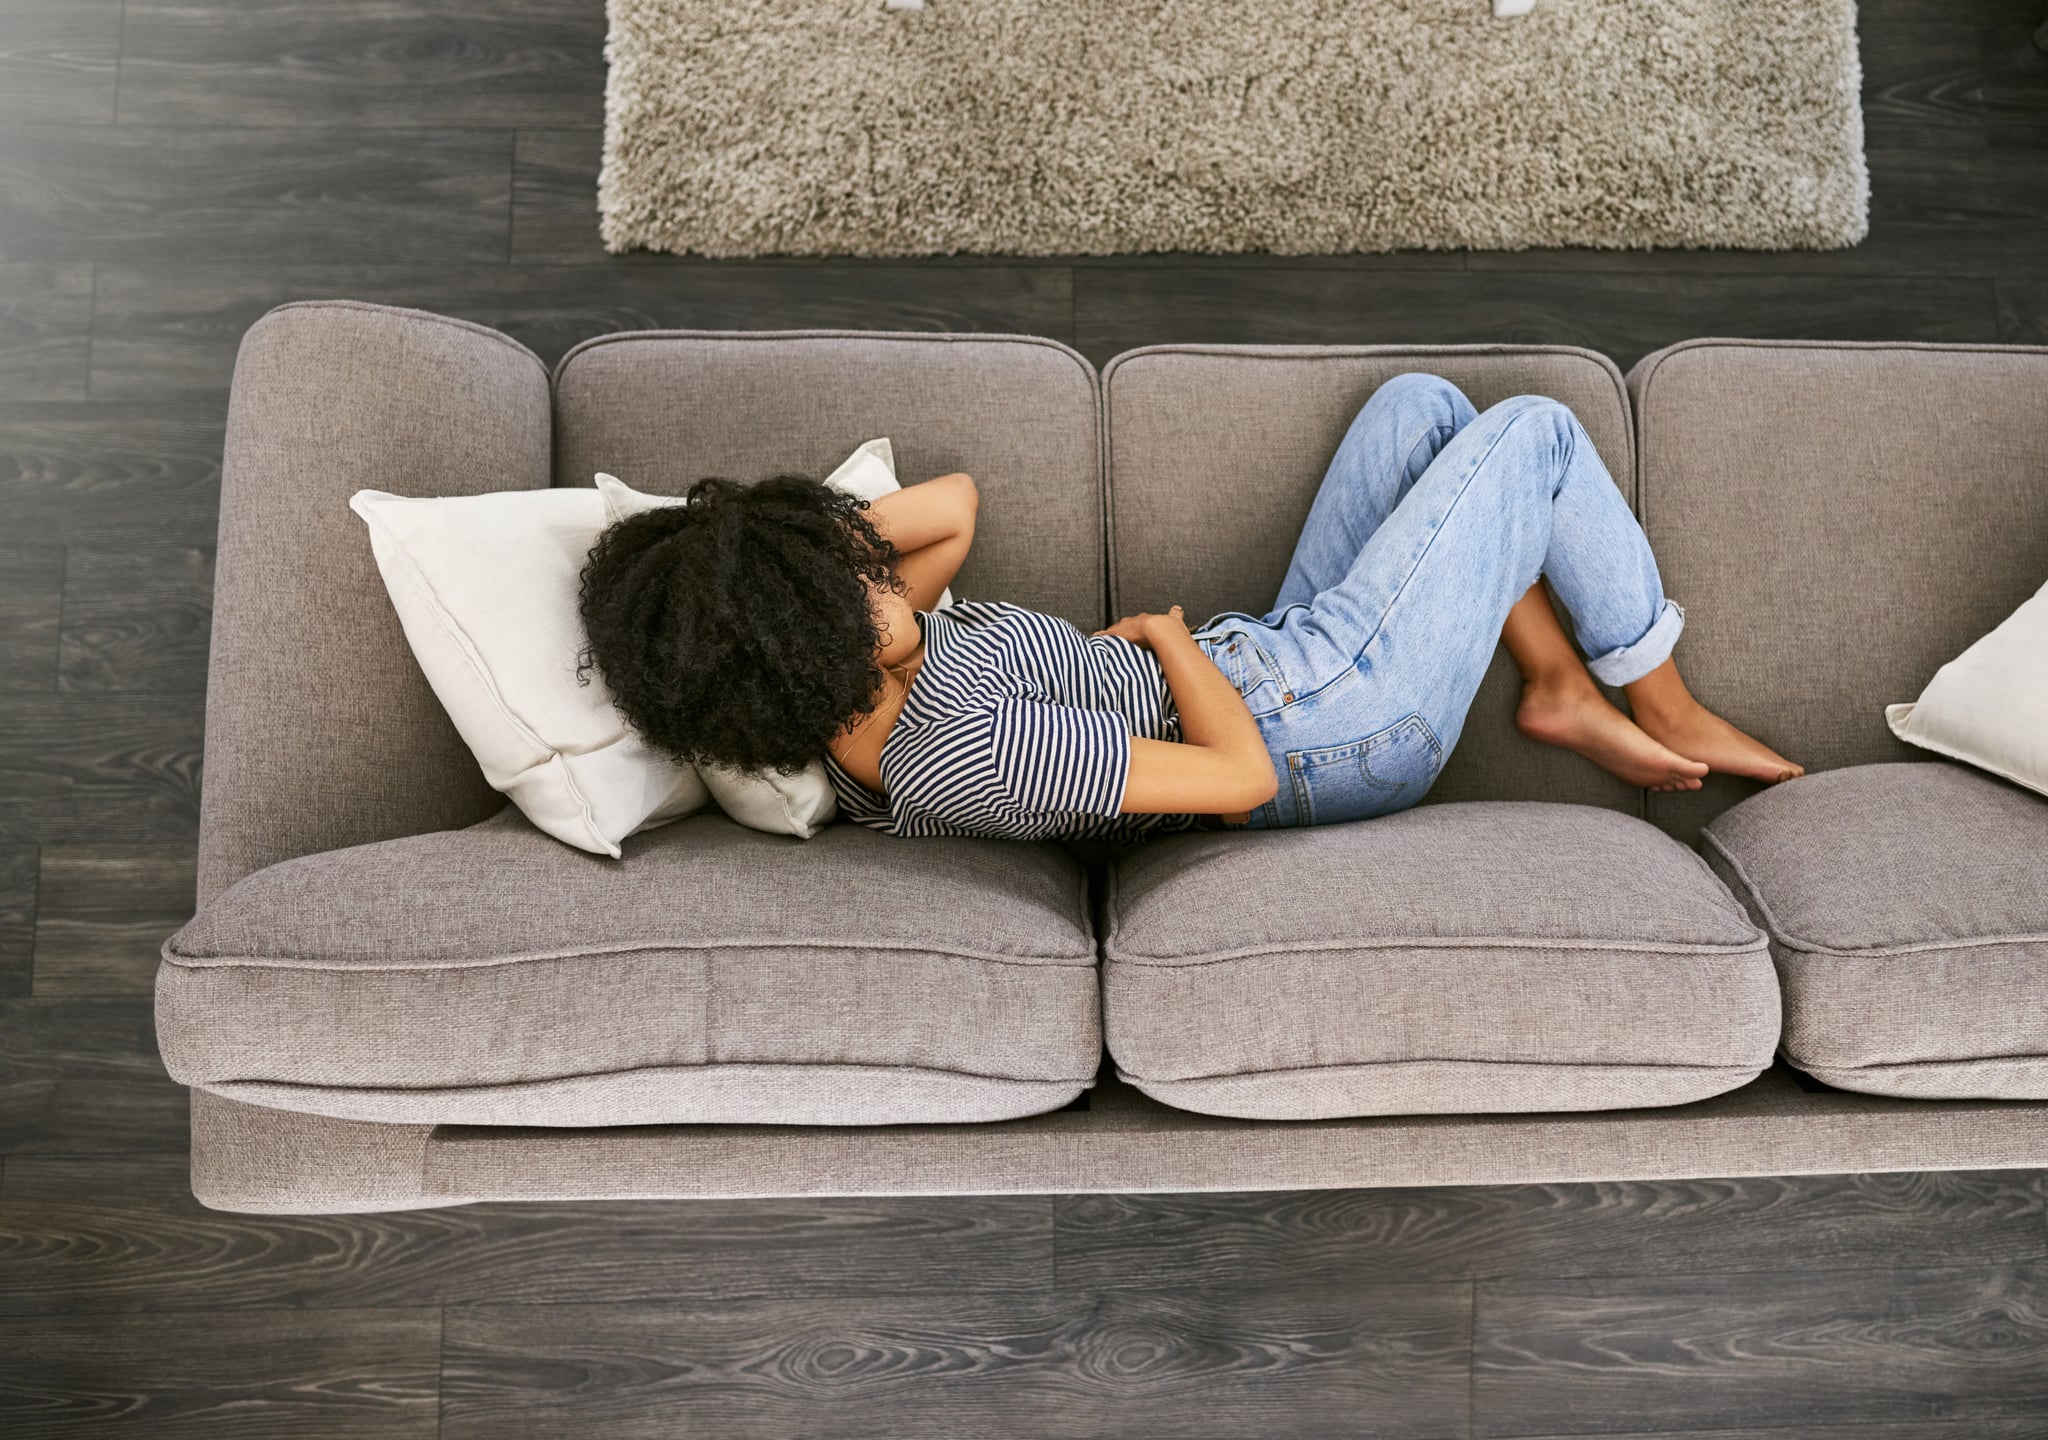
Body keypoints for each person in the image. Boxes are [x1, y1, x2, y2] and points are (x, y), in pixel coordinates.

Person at [577, 373, 1800, 842]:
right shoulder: (952, 751)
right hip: (1325, 728)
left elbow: (949, 505)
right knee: (1531, 430)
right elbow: (1238, 784)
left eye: (845, 562)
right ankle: (1667, 701)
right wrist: (1165, 637)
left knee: (1419, 408)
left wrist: (772, 542)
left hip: (1271, 664)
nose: (872, 581)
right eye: (834, 593)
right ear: (786, 661)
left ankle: (1550, 686)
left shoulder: (873, 663)